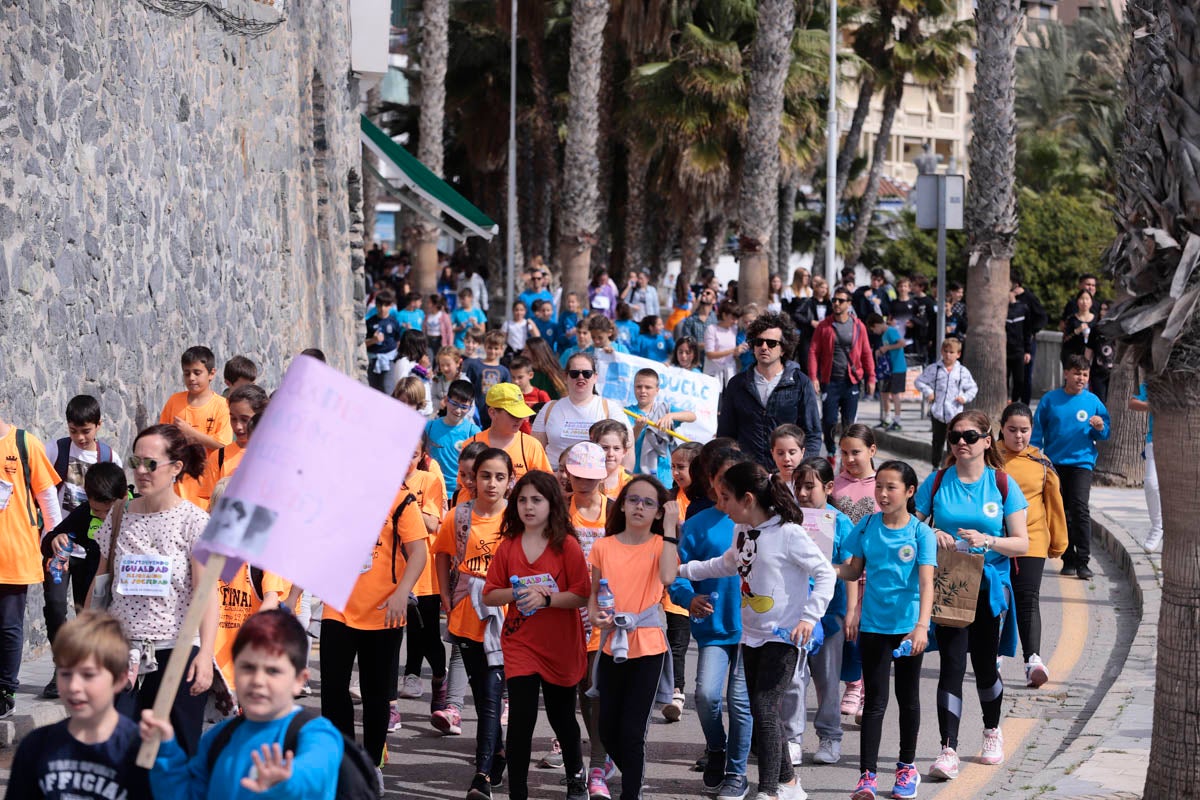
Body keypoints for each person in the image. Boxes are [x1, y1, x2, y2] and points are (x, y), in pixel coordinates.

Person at [678, 462, 835, 800]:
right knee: (763, 709)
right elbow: (724, 564)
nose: (722, 505)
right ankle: (791, 783)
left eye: (726, 498)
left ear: (747, 499)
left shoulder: (789, 533)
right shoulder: (742, 532)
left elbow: (826, 574)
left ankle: (769, 789)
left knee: (763, 707)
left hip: (785, 636)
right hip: (751, 635)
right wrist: (679, 569)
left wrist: (809, 617)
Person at [914, 410, 1030, 780]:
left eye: (969, 436)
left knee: (983, 664)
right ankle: (947, 748)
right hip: (949, 584)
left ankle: (992, 732)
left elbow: (1022, 543)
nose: (961, 443)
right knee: (950, 663)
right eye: (954, 437)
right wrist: (929, 533)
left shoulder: (1002, 484)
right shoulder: (936, 481)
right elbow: (910, 523)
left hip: (988, 586)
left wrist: (989, 540)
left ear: (986, 440)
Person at [91, 424, 214, 755]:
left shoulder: (194, 522)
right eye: (136, 461)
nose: (141, 471)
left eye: (151, 463)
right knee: (118, 752)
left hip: (176, 652)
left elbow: (207, 594)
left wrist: (205, 654)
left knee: (172, 757)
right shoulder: (118, 515)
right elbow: (100, 582)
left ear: (176, 468)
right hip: (121, 653)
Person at [143, 610, 344, 799]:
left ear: (300, 680)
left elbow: (315, 770)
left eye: (273, 671)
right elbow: (187, 794)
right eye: (247, 667)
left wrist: (286, 782)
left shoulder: (317, 734)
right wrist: (166, 750)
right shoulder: (217, 738)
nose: (257, 680)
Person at [482, 472, 591, 800]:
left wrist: (546, 599)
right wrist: (515, 594)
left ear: (552, 503)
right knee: (520, 719)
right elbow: (489, 595)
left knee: (561, 717)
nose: (528, 506)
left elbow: (582, 594)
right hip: (520, 644)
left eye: (536, 500)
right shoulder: (508, 547)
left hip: (560, 644)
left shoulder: (567, 546)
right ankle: (518, 792)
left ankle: (575, 776)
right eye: (523, 500)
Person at [838, 461, 935, 800]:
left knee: (908, 699)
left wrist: (921, 626)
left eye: (891, 487)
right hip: (874, 628)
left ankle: (907, 768)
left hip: (908, 630)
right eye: (879, 486)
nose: (882, 493)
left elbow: (926, 583)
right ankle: (867, 777)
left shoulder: (921, 534)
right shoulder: (866, 526)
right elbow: (852, 570)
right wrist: (822, 564)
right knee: (875, 702)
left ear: (910, 492)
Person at [320, 464, 428, 770]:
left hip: (384, 609)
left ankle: (371, 762)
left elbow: (418, 553)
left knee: (376, 693)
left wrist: (401, 593)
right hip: (338, 606)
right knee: (332, 688)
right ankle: (344, 761)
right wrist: (291, 596)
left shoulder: (401, 499)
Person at [587, 476, 680, 800]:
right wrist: (595, 613)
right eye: (633, 499)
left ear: (658, 512)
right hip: (612, 642)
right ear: (623, 504)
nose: (639, 506)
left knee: (632, 730)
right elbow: (594, 593)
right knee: (608, 727)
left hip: (649, 645)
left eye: (649, 502)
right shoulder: (603, 546)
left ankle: (631, 792)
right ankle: (631, 773)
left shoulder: (661, 545)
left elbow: (668, 577)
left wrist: (670, 527)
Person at [668, 447, 751, 800]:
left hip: (755, 633)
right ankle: (716, 749)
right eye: (720, 480)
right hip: (714, 630)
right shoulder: (698, 524)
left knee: (741, 702)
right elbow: (675, 576)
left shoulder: (760, 520)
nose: (726, 487)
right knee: (705, 696)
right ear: (710, 482)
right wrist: (689, 599)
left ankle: (737, 772)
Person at [433, 448, 514, 798]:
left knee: (493, 695)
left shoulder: (518, 517)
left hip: (508, 619)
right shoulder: (459, 515)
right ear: (473, 479)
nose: (491, 483)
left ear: (510, 480)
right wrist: (446, 597)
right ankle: (496, 752)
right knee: (483, 697)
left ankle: (480, 775)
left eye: (499, 476)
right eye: (485, 476)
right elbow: (441, 554)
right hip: (467, 614)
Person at [7, 611, 151, 800]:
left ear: (120, 678)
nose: (74, 686)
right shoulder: (36, 746)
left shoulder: (139, 751)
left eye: (88, 675)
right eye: (65, 674)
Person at [40, 462, 127, 702]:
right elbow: (49, 540)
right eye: (96, 511)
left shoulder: (138, 511)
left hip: (126, 597)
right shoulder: (84, 513)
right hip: (89, 588)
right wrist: (56, 539)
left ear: (122, 497)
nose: (100, 516)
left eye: (105, 511)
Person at [561, 442, 619, 797]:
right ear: (568, 473)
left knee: (599, 693)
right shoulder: (558, 513)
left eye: (591, 477)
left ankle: (596, 765)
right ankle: (601, 751)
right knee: (581, 690)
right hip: (566, 612)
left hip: (605, 613)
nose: (584, 483)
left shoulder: (614, 513)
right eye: (578, 475)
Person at [790, 457, 854, 767]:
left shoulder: (841, 522)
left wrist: (850, 611)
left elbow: (853, 569)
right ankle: (792, 738)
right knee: (793, 679)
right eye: (797, 486)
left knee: (828, 680)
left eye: (809, 486)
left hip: (829, 615)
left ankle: (830, 736)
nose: (802, 493)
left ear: (828, 487)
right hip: (792, 613)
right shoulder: (786, 520)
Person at [998, 402, 1068, 687]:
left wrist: (1058, 543)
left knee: (1027, 599)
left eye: (1024, 430)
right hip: (994, 541)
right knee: (996, 600)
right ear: (1001, 429)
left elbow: (1054, 505)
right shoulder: (988, 459)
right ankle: (993, 655)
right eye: (1012, 430)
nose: (1018, 436)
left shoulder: (1041, 462)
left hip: (1032, 540)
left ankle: (1033, 660)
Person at [1031, 355, 1111, 580]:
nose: (1081, 378)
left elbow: (1105, 432)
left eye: (1085, 375)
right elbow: (1037, 431)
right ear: (1066, 373)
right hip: (1055, 463)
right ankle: (1068, 558)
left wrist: (1099, 426)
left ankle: (1083, 561)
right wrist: (1036, 456)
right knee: (1060, 511)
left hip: (1082, 463)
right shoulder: (1050, 400)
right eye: (1077, 373)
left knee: (1080, 508)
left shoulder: (1093, 401)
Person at [717, 312, 823, 467]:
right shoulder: (737, 384)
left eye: (771, 343)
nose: (764, 347)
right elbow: (725, 435)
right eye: (759, 342)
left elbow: (813, 434)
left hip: (788, 475)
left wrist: (801, 471)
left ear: (784, 349)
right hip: (749, 474)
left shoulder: (801, 383)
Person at [160, 346, 234, 505]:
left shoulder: (222, 406)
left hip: (206, 487)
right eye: (187, 373)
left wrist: (191, 434)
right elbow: (161, 438)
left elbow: (223, 444)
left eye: (197, 373)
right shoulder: (174, 401)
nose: (191, 378)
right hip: (176, 485)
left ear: (211, 373)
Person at [531, 352, 632, 465]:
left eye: (587, 373)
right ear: (565, 376)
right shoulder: (548, 409)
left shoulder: (610, 408)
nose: (580, 377)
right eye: (574, 373)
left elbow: (627, 448)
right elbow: (535, 451)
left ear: (595, 377)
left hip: (596, 479)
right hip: (555, 477)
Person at [809, 288, 875, 457]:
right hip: (830, 381)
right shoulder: (824, 326)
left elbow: (866, 352)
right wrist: (813, 377)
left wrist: (871, 378)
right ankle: (831, 451)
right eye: (834, 300)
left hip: (851, 381)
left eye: (840, 300)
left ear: (849, 304)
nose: (836, 303)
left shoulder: (858, 326)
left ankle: (846, 454)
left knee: (849, 423)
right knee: (829, 421)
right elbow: (813, 351)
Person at [196, 384, 269, 507]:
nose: (238, 426)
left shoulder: (272, 456)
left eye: (245, 419)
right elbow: (211, 504)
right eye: (233, 419)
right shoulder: (219, 457)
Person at [465, 384, 553, 482]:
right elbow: (463, 487)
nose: (519, 419)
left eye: (521, 414)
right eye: (513, 414)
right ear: (492, 413)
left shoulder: (532, 446)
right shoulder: (472, 445)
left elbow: (546, 487)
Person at [914, 338, 977, 469]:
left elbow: (973, 388)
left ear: (958, 354)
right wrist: (928, 392)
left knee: (953, 442)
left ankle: (950, 467)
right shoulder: (934, 369)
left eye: (951, 352)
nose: (948, 355)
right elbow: (919, 381)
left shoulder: (962, 372)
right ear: (942, 352)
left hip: (955, 413)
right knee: (937, 441)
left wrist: (964, 397)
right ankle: (935, 466)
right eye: (946, 351)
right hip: (938, 412)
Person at [627, 369, 695, 488]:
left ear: (657, 390)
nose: (643, 391)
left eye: (648, 387)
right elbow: (627, 443)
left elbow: (692, 416)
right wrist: (638, 427)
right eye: (639, 386)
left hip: (664, 477)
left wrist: (670, 416)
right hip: (636, 475)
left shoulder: (665, 409)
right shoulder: (627, 412)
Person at [426, 380, 483, 496]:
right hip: (432, 490)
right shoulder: (429, 427)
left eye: (464, 407)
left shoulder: (473, 432)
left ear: (470, 407)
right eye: (454, 404)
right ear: (446, 400)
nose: (458, 410)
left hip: (460, 492)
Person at [1129, 383, 1162, 552]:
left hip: (1186, 441)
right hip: (1154, 440)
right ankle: (1157, 527)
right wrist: (1153, 405)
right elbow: (1132, 402)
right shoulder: (1153, 381)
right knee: (1151, 484)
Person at [465, 332, 514, 427]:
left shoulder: (504, 371)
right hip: (476, 412)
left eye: (496, 348)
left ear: (501, 349)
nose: (492, 351)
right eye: (490, 347)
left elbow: (506, 395)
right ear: (485, 347)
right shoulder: (474, 366)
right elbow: (467, 388)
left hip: (495, 414)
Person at [868, 314, 908, 432]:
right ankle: (887, 418)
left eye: (873, 329)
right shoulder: (885, 334)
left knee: (895, 394)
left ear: (876, 325)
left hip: (897, 367)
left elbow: (901, 343)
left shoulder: (891, 331)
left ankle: (897, 420)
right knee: (884, 392)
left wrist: (887, 348)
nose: (874, 332)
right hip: (889, 369)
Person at [787, 275, 832, 377]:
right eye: (822, 287)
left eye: (826, 288)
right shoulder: (809, 302)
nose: (824, 290)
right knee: (806, 363)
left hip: (824, 336)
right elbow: (796, 314)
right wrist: (810, 321)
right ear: (816, 288)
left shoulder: (830, 303)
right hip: (809, 336)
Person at [366, 291, 405, 395]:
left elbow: (398, 341)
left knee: (388, 388)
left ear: (391, 306)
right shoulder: (370, 322)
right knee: (372, 390)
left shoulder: (394, 322)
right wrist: (373, 340)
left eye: (386, 305)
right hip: (373, 360)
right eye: (380, 305)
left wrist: (397, 356)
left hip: (389, 360)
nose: (383, 308)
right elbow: (363, 345)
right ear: (376, 305)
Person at [674, 286, 718, 365]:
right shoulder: (690, 320)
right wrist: (705, 345)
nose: (704, 294)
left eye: (708, 293)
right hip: (695, 363)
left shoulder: (716, 319)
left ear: (714, 300)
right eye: (702, 293)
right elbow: (686, 342)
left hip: (712, 363)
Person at [509, 357, 552, 435]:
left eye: (520, 377)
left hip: (537, 439)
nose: (516, 381)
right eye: (513, 377)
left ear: (531, 375)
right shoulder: (510, 396)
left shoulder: (541, 395)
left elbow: (550, 418)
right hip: (516, 439)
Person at [1060, 289, 1096, 368]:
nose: (1084, 302)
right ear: (1077, 301)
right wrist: (1077, 331)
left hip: (1091, 358)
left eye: (1087, 299)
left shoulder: (1096, 320)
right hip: (1072, 356)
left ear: (1091, 302)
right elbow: (1065, 339)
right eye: (1082, 299)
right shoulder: (1071, 319)